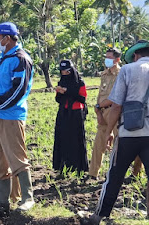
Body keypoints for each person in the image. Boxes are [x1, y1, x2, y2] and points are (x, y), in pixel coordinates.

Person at [90, 40, 149, 224]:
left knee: (114, 176)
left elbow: (116, 106)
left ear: (135, 55)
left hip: (128, 133)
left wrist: (109, 131)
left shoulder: (128, 70)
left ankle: (99, 215)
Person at [0, 22, 34, 210]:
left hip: (12, 115)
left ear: (7, 38)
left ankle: (27, 198)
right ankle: (1, 197)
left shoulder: (20, 59)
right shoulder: (2, 59)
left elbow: (19, 89)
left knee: (17, 157)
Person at [88, 49, 143, 180]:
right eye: (105, 57)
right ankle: (93, 174)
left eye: (109, 57)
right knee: (98, 143)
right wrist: (98, 110)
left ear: (117, 60)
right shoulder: (104, 74)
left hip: (117, 112)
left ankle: (134, 173)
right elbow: (101, 94)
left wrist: (101, 106)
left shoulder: (123, 73)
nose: (106, 60)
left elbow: (117, 98)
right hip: (103, 111)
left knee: (123, 146)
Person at [53, 60, 88, 173]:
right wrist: (60, 92)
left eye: (67, 72)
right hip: (63, 112)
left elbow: (82, 98)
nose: (64, 74)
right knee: (62, 138)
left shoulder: (80, 83)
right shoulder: (61, 81)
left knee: (76, 140)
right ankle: (62, 165)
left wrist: (67, 91)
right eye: (62, 72)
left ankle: (79, 167)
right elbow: (58, 99)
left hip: (76, 113)